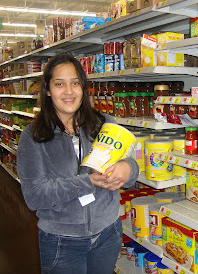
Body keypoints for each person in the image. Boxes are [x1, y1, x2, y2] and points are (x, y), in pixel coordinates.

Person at [17, 52, 139, 273]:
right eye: (59, 84)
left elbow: (132, 166)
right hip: (62, 241)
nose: (69, 91)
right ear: (47, 90)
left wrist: (128, 168)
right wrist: (87, 182)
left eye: (75, 83)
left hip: (107, 233)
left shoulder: (104, 124)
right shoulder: (33, 136)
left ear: (83, 87)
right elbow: (34, 195)